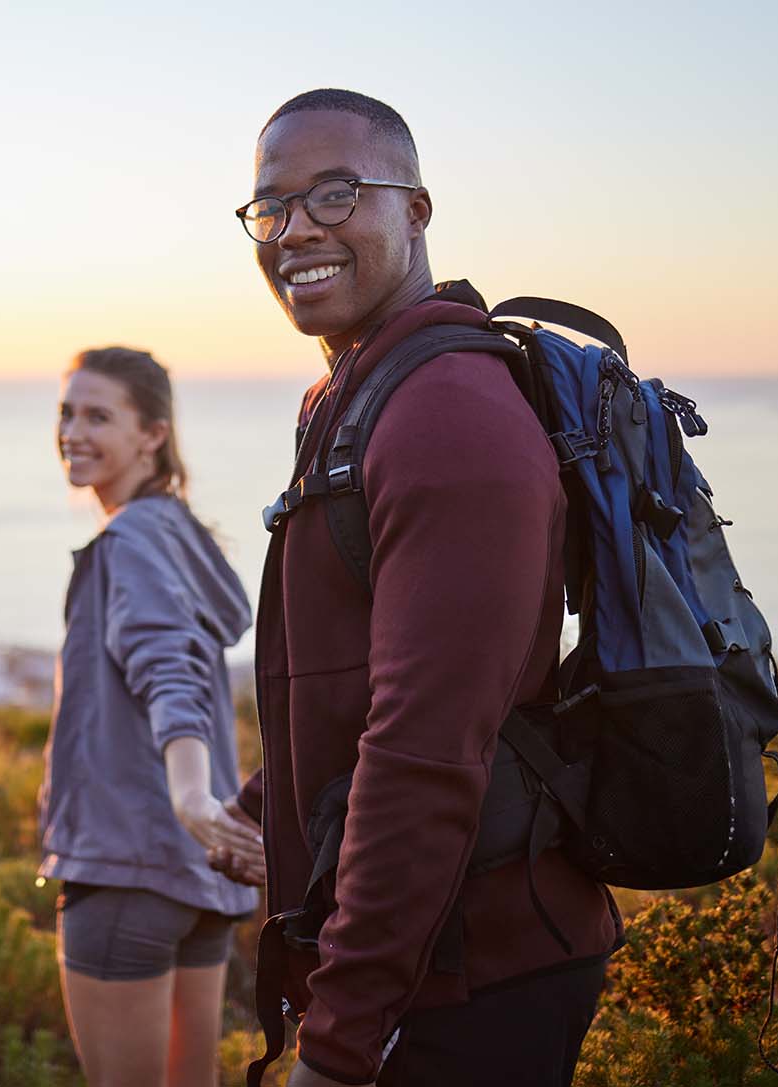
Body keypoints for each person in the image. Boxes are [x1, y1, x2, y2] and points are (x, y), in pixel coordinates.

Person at [212, 90, 623, 1087]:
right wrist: (278, 805)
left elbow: (426, 752)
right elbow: (367, 672)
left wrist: (342, 1043)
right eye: (271, 207)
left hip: (470, 979)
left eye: (337, 193)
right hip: (427, 962)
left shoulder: (445, 417)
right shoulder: (357, 392)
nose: (296, 229)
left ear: (416, 210)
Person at [39, 346, 266, 1087]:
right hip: (195, 879)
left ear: (152, 434)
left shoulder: (131, 539)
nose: (72, 430)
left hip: (128, 866)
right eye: (67, 411)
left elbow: (166, 666)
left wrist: (189, 794)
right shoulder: (173, 530)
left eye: (99, 415)